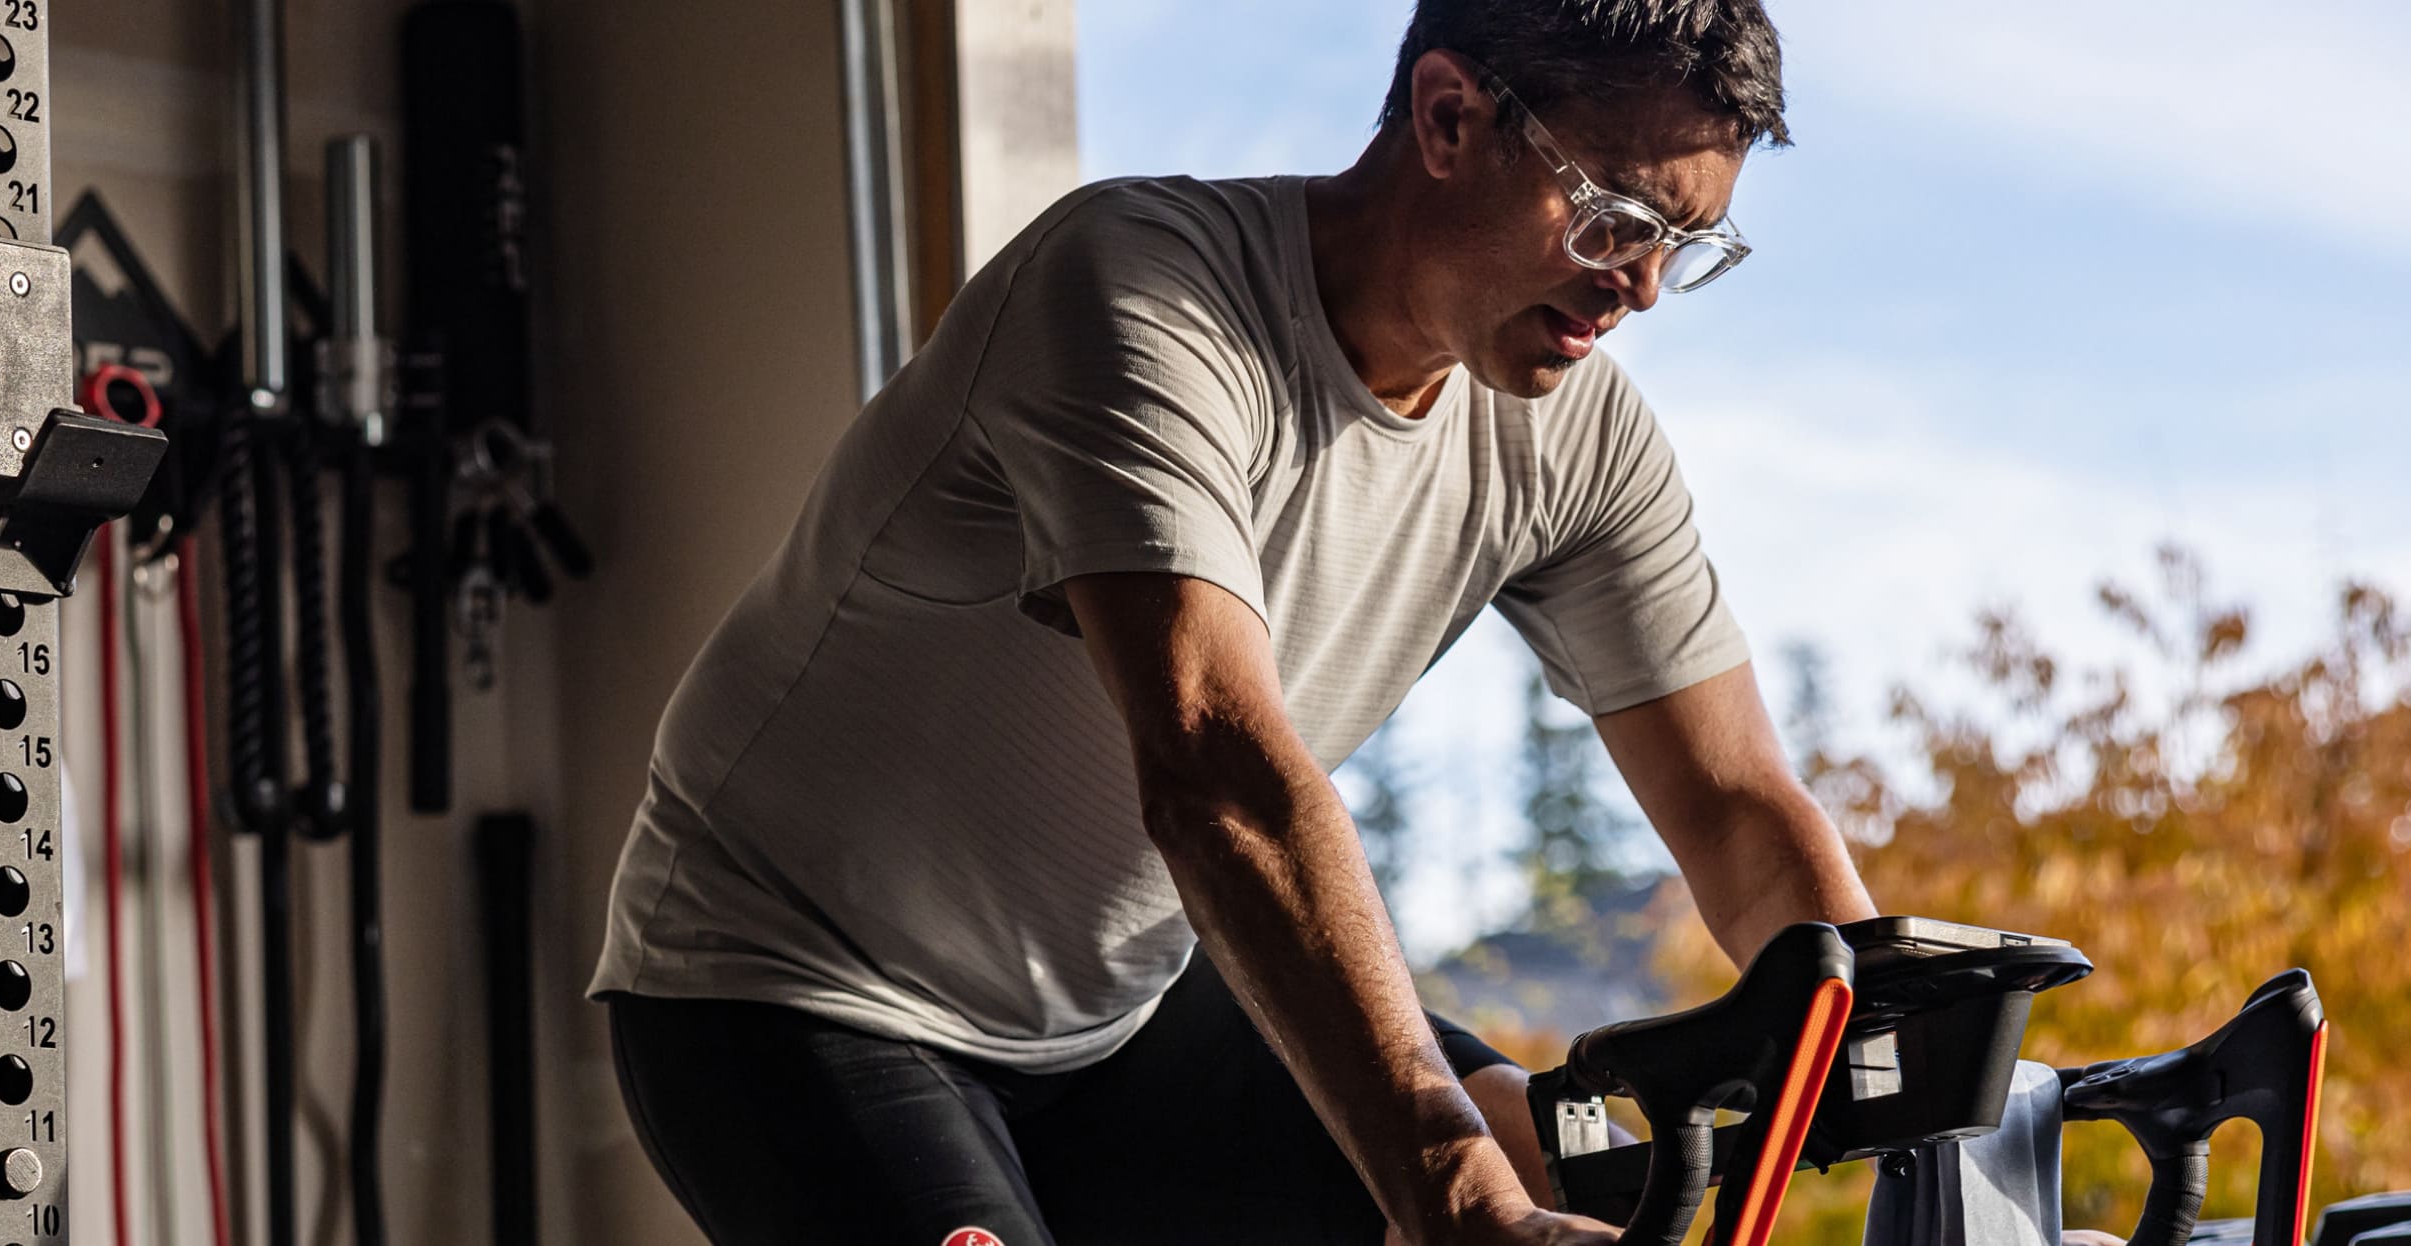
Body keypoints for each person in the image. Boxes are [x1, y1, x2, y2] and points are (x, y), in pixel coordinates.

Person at [588, 1, 1876, 1242]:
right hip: (799, 982)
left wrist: (1915, 1097)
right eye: (1612, 215)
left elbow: (1738, 809)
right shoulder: (1145, 293)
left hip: (1124, 1007)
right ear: (1448, 116)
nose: (1642, 286)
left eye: (1686, 244)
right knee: (1471, 1200)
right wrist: (1458, 1209)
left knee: (1562, 1165)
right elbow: (1222, 777)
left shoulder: (1580, 437)